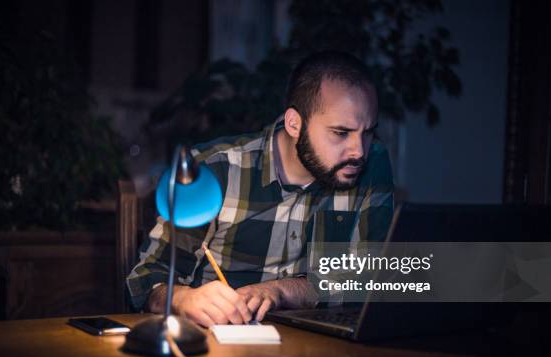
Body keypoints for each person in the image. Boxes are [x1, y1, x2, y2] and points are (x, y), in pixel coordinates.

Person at [126, 50, 394, 327]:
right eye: (341, 133)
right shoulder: (215, 169)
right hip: (216, 345)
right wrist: (181, 299)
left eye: (368, 131)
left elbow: (375, 279)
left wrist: (283, 290)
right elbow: (145, 278)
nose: (358, 151)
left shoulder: (370, 167)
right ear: (294, 124)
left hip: (318, 351)